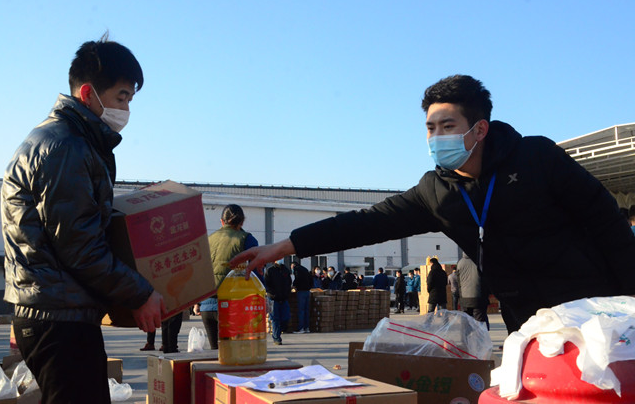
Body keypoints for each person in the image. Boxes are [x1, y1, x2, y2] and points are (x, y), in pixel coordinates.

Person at [230, 74, 635, 333]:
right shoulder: (435, 192)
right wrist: (283, 247)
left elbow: (608, 225)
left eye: (447, 126)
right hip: (528, 321)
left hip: (594, 309)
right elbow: (365, 223)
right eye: (430, 128)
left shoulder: (537, 159)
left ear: (479, 129)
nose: (435, 137)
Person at [1, 35, 165, 403]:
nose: (126, 109)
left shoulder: (65, 141)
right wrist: (141, 293)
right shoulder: (66, 147)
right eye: (121, 97)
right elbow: (80, 247)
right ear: (88, 93)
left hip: (57, 314)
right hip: (57, 320)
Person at [193, 205, 258, 350]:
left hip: (207, 306)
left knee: (216, 357)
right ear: (242, 222)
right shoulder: (247, 239)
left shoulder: (209, 239)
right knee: (235, 357)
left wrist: (197, 302)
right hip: (232, 306)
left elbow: (199, 271)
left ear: (221, 221)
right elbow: (257, 272)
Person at [457, 254, 489, 329]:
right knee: (479, 323)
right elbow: (485, 281)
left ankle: (465, 339)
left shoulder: (460, 263)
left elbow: (458, 282)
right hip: (478, 297)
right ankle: (479, 339)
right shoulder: (480, 262)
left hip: (464, 298)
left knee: (466, 322)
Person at [265, 260, 292, 344]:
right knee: (275, 319)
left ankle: (279, 331)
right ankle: (276, 338)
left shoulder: (285, 270)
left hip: (284, 298)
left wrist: (287, 292)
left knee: (285, 318)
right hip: (273, 299)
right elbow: (266, 284)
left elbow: (289, 282)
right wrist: (272, 294)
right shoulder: (270, 270)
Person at [291, 261, 313, 333]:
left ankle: (301, 328)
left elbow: (297, 278)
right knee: (307, 310)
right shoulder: (305, 269)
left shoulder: (296, 269)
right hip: (307, 291)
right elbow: (311, 279)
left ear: (293, 265)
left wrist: (294, 285)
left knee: (301, 310)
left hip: (301, 291)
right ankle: (307, 328)